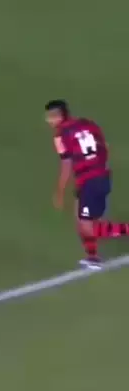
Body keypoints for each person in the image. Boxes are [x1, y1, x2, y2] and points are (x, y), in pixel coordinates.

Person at [45, 99, 129, 269]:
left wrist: (60, 192)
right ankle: (92, 256)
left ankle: (120, 234)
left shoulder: (60, 135)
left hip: (90, 180)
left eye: (51, 116)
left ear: (60, 116)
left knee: (88, 225)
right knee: (81, 219)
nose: (48, 120)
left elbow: (66, 165)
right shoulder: (88, 124)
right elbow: (104, 147)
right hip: (100, 176)